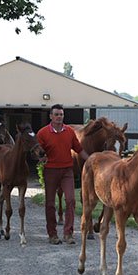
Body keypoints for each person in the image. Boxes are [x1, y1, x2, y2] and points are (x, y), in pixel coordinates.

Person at [36, 104, 88, 245]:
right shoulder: (42, 133)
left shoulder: (69, 132)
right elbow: (36, 151)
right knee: (50, 203)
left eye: (61, 114)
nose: (59, 117)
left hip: (67, 171)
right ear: (51, 116)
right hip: (50, 171)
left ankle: (68, 233)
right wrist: (40, 157)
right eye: (56, 114)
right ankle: (52, 234)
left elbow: (79, 149)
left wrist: (92, 161)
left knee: (71, 200)